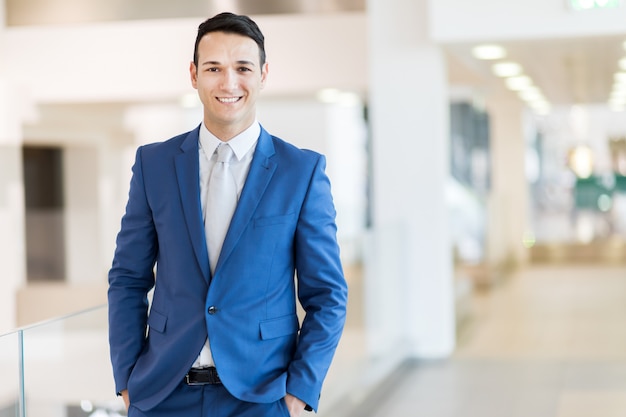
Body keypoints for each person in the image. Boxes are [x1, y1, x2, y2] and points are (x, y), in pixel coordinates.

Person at [107, 11, 348, 417]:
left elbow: (327, 296)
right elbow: (128, 278)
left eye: (243, 68)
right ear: (193, 74)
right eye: (214, 68)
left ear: (264, 74)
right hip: (162, 395)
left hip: (260, 397)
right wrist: (127, 379)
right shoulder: (154, 164)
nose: (228, 82)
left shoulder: (301, 172)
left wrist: (299, 390)